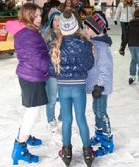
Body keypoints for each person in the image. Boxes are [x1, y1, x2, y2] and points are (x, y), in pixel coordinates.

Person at [6, 3, 50, 165]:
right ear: (27, 16)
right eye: (36, 16)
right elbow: (35, 59)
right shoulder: (28, 34)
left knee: (32, 110)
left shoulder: (27, 30)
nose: (39, 19)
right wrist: (51, 67)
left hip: (29, 74)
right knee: (33, 112)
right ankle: (20, 147)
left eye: (40, 15)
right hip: (33, 76)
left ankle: (26, 132)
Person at [51, 10, 95, 167]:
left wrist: (62, 75)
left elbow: (52, 69)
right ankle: (88, 153)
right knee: (81, 118)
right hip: (78, 87)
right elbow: (90, 64)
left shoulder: (57, 45)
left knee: (67, 120)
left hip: (63, 87)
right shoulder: (85, 44)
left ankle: (67, 152)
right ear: (76, 26)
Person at [83, 13, 114, 157]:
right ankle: (99, 134)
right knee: (96, 110)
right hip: (96, 87)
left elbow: (105, 68)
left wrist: (99, 86)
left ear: (95, 29)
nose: (85, 30)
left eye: (87, 28)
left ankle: (108, 141)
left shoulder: (101, 47)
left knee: (101, 112)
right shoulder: (94, 43)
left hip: (100, 87)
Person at [119, 8, 139, 92]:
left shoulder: (130, 24)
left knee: (134, 60)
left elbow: (125, 36)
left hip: (131, 45)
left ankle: (132, 76)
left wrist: (122, 48)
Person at [41, 9, 62, 134]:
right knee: (52, 99)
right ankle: (50, 119)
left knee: (65, 98)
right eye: (55, 20)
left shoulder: (66, 34)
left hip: (64, 72)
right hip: (52, 71)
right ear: (51, 21)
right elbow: (42, 54)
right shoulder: (47, 35)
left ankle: (62, 117)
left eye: (60, 19)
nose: (57, 22)